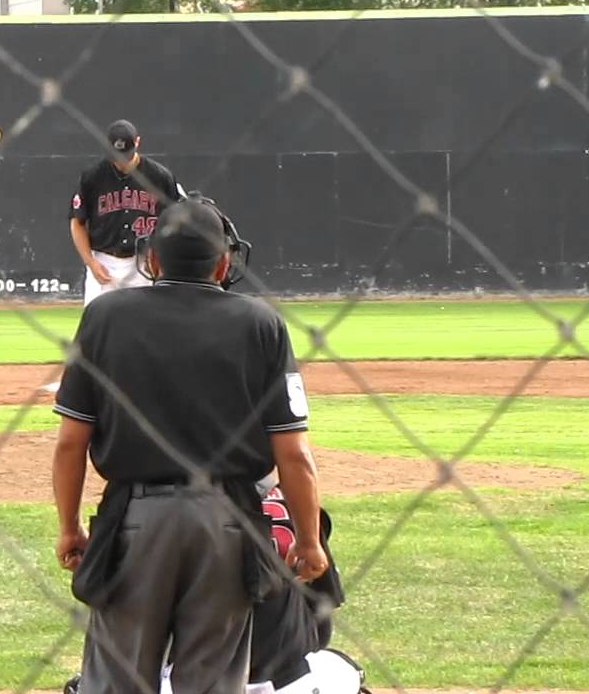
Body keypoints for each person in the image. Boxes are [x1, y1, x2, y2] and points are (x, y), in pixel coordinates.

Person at [51, 194, 328, 694]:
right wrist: (308, 539)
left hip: (135, 523)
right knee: (213, 683)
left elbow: (71, 443)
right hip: (228, 523)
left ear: (153, 260)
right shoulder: (261, 323)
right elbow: (294, 455)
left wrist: (69, 527)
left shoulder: (106, 317)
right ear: (223, 263)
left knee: (117, 682)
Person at [62, 477, 368, 694]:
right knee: (340, 667)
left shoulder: (155, 513)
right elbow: (321, 624)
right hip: (290, 683)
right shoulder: (295, 505)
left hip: (189, 681)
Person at [68, 119, 187, 305]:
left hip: (144, 264)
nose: (122, 160)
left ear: (137, 142)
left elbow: (177, 221)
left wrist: (160, 258)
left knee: (145, 321)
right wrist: (90, 263)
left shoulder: (159, 177)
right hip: (104, 262)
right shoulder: (92, 177)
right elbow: (77, 222)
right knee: (98, 320)